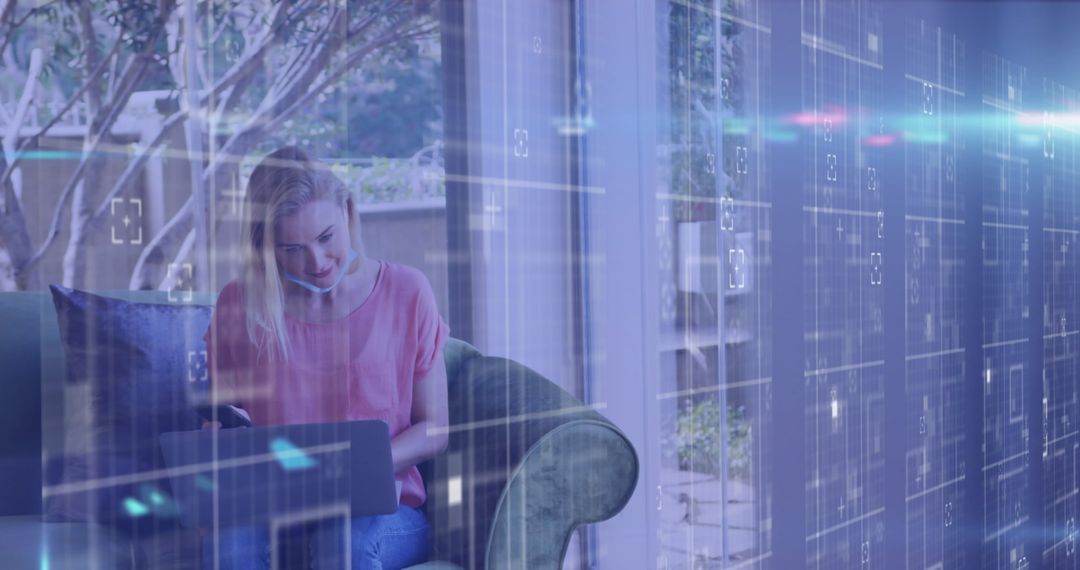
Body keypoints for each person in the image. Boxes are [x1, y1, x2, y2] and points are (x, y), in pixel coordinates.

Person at [201, 146, 450, 569]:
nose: (316, 262)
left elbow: (436, 429)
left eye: (326, 237)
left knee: (345, 543)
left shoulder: (408, 292)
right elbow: (218, 422)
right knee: (227, 548)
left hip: (381, 511)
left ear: (347, 212)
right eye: (292, 248)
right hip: (273, 510)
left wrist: (356, 470)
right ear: (265, 248)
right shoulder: (238, 304)